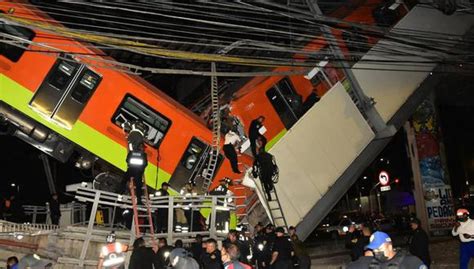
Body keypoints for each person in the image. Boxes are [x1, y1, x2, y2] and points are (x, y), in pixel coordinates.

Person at [347, 231, 426, 269]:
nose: (376, 252)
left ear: (390, 247)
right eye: (374, 250)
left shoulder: (411, 261)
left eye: (379, 248)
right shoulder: (369, 261)